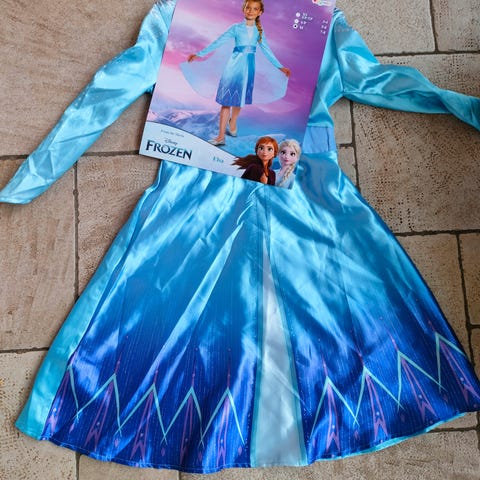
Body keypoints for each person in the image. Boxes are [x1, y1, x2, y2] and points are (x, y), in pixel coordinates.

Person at [1, 2, 480, 473]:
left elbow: (373, 80)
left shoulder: (318, 24)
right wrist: (35, 174)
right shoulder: (182, 16)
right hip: (208, 192)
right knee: (182, 320)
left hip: (293, 184)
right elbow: (113, 88)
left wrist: (459, 104)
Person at [187, 0, 290, 145]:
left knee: (239, 99)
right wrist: (200, 54)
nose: (251, 11)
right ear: (244, 9)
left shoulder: (259, 31)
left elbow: (267, 50)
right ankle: (220, 137)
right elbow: (219, 41)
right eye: (248, 8)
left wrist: (280, 67)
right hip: (234, 66)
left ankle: (233, 121)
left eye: (255, 9)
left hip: (249, 68)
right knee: (226, 101)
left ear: (260, 12)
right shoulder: (236, 28)